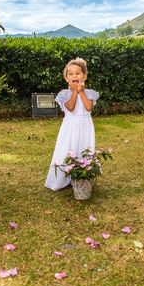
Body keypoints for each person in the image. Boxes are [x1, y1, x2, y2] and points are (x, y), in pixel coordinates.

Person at [45, 58, 100, 191]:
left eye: (78, 73)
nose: (74, 76)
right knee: (68, 148)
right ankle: (63, 178)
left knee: (84, 148)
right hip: (70, 126)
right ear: (66, 78)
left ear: (84, 76)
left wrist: (81, 92)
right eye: (71, 74)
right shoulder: (64, 94)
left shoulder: (90, 93)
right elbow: (70, 107)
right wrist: (74, 92)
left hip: (85, 125)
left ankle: (82, 176)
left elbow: (88, 108)